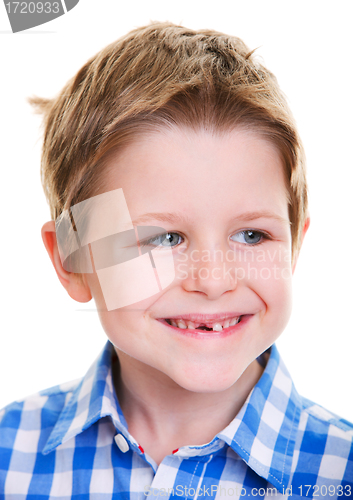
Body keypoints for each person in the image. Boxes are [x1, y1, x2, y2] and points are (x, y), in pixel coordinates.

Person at [0, 21, 352, 499]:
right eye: (164, 239)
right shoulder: (9, 456)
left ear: (294, 247)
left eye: (252, 235)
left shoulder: (340, 472)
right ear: (72, 258)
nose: (212, 280)